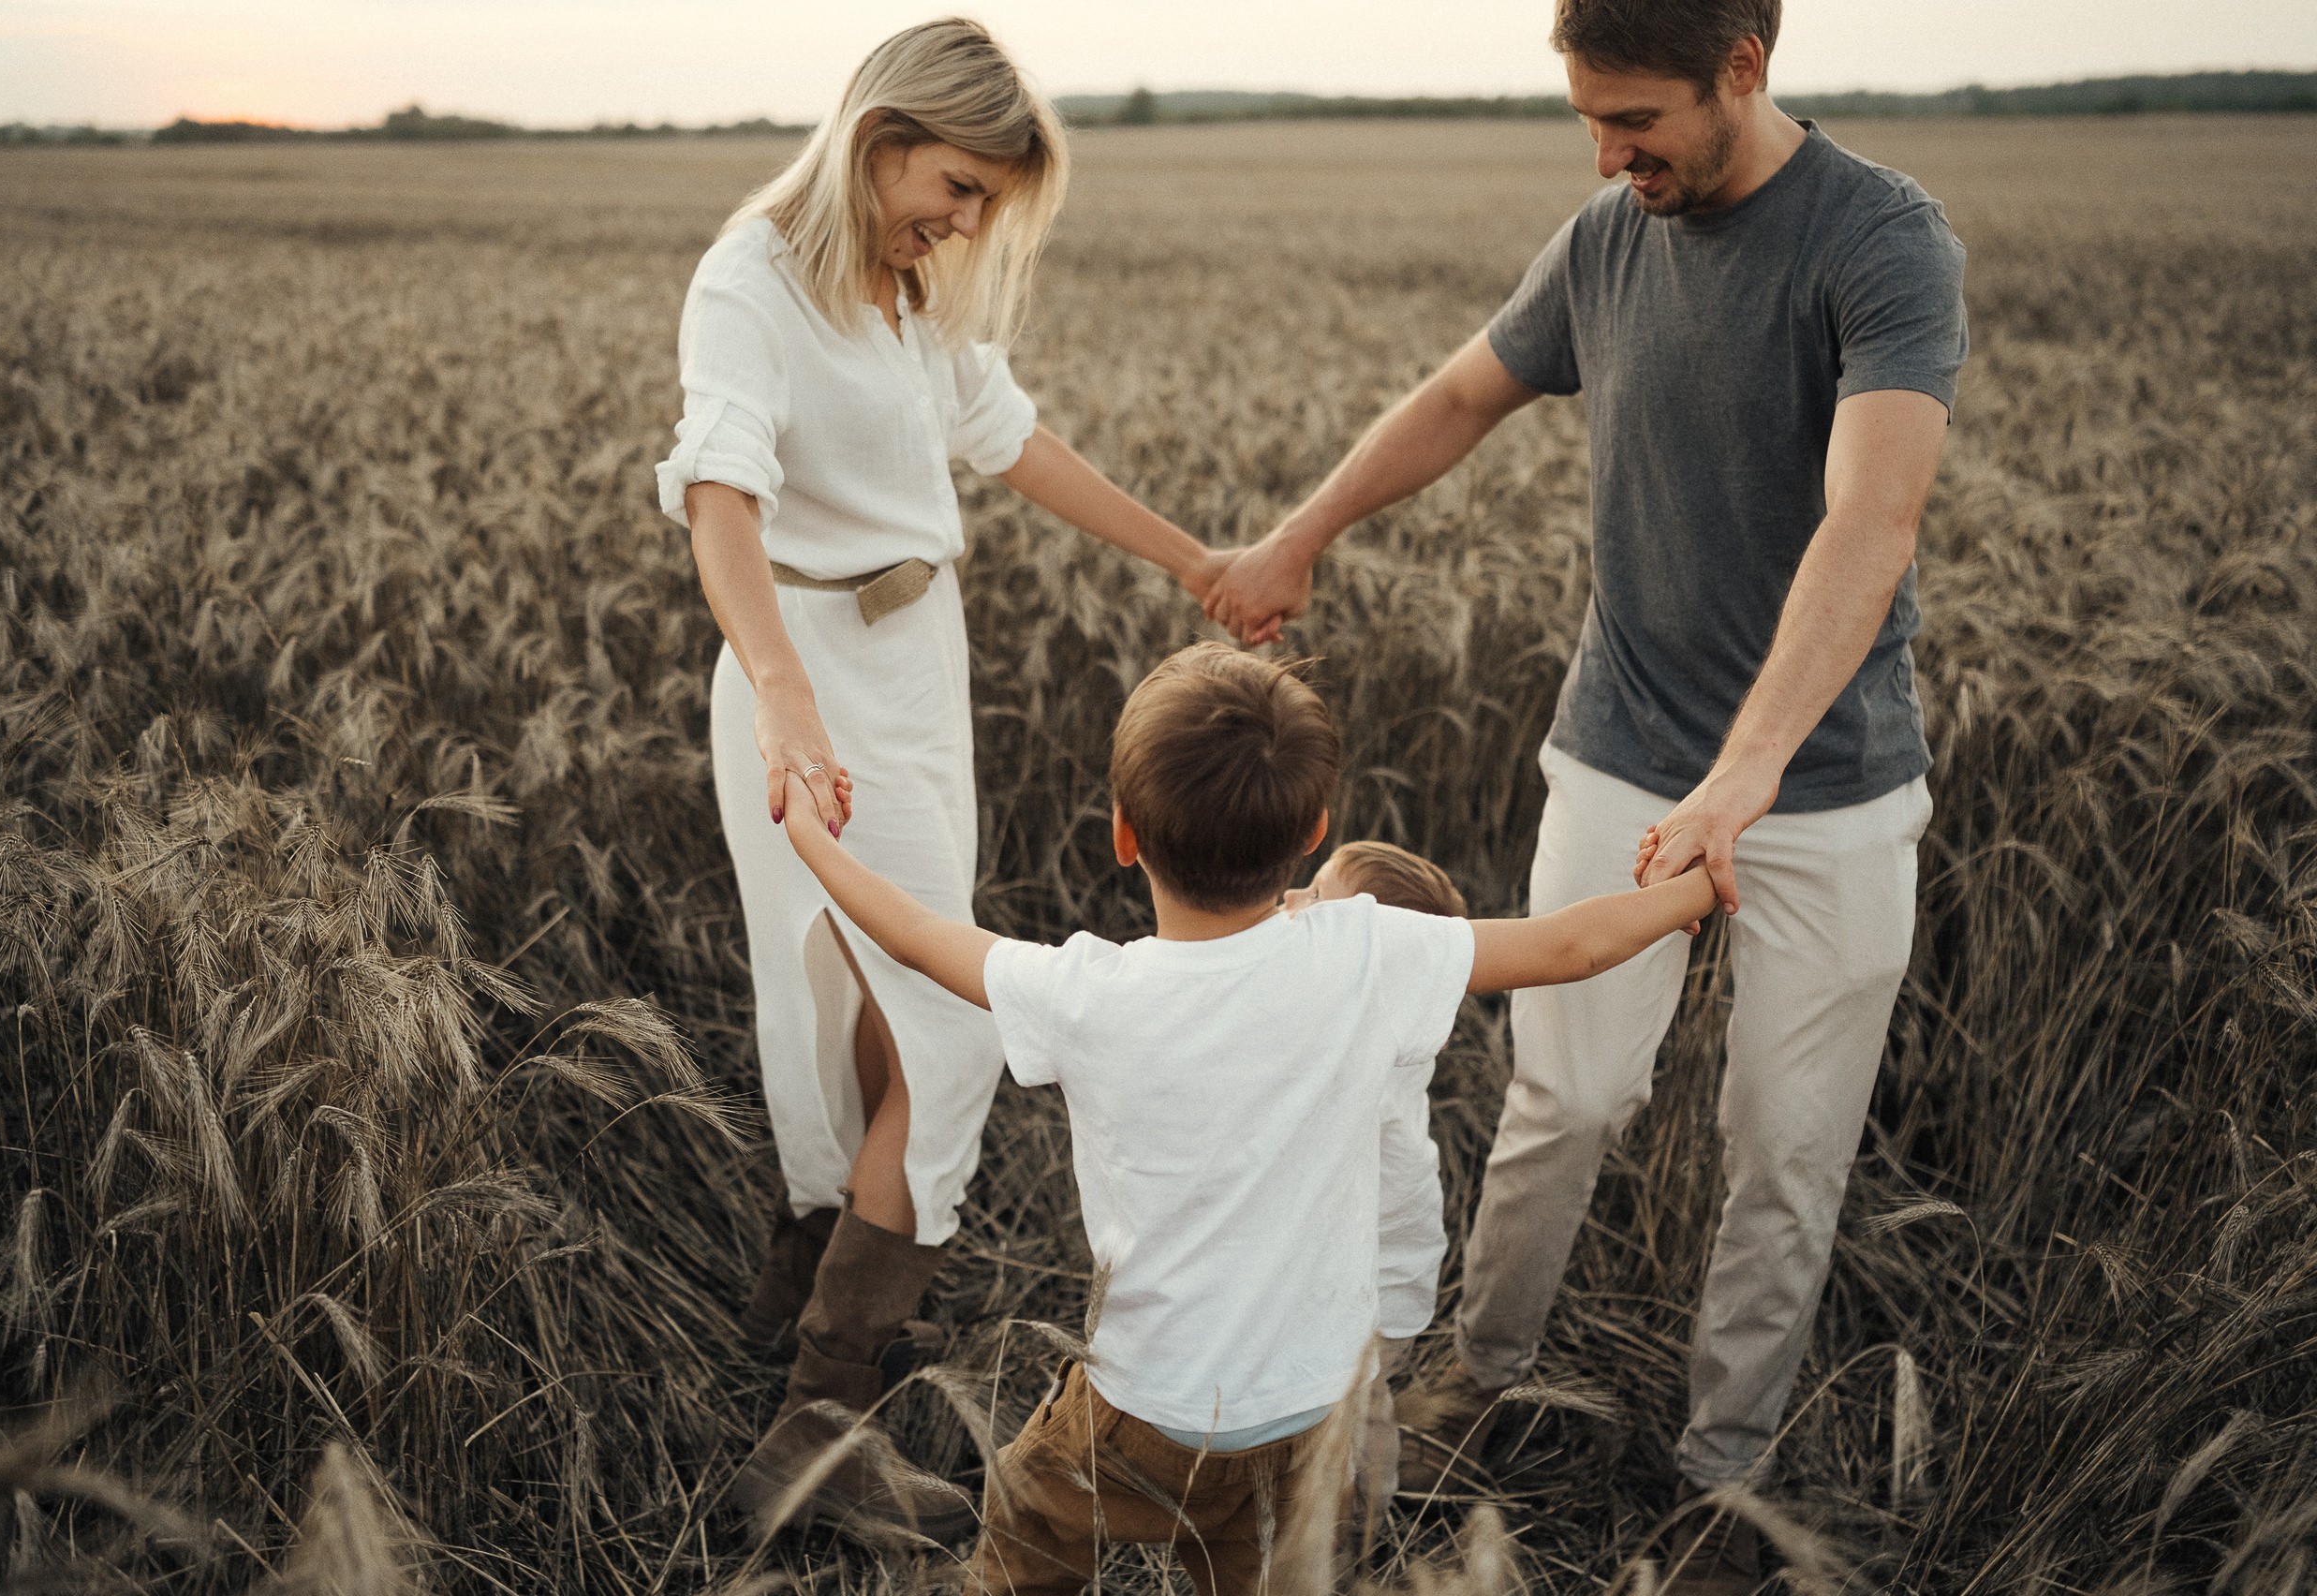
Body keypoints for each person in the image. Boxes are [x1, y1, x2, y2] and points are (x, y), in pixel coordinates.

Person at [1203, 0, 1967, 1587]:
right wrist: (1300, 531)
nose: (1609, 158)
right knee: (1565, 1093)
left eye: (1635, 122)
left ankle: (1723, 1470)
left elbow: (1870, 522)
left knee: (1787, 1140)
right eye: (1588, 122)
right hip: (1621, 744)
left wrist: (1746, 774)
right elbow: (1463, 395)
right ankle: (1479, 1365)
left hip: (1827, 790)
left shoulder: (1881, 239)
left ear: (1741, 73)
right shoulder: (1608, 235)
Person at [775, 643, 1718, 1592]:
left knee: (1028, 1520)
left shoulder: (1087, 993)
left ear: (1122, 835)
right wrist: (1695, 886)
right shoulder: (1366, 954)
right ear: (1312, 831)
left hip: (1144, 1408)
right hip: (1312, 1418)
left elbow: (918, 938)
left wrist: (814, 840)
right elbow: (1572, 945)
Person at [654, 19, 1235, 1540]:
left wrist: (1195, 561)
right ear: (880, 135)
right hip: (805, 682)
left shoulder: (911, 295)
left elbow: (1016, 442)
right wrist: (785, 700)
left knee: (874, 1021)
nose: (965, 223)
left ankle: (794, 1335)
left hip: (914, 679)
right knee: (943, 1031)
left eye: (984, 203)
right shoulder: (752, 280)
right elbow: (720, 500)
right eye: (959, 185)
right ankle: (813, 1428)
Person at [1281, 842, 1468, 1532]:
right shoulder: (1373, 1019)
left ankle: (1357, 1524)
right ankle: (1358, 1514)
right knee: (1358, 1403)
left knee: (1348, 1409)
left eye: (1321, 902)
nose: (1295, 901)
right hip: (1358, 1269)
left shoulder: (1358, 1046)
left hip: (1366, 1282)